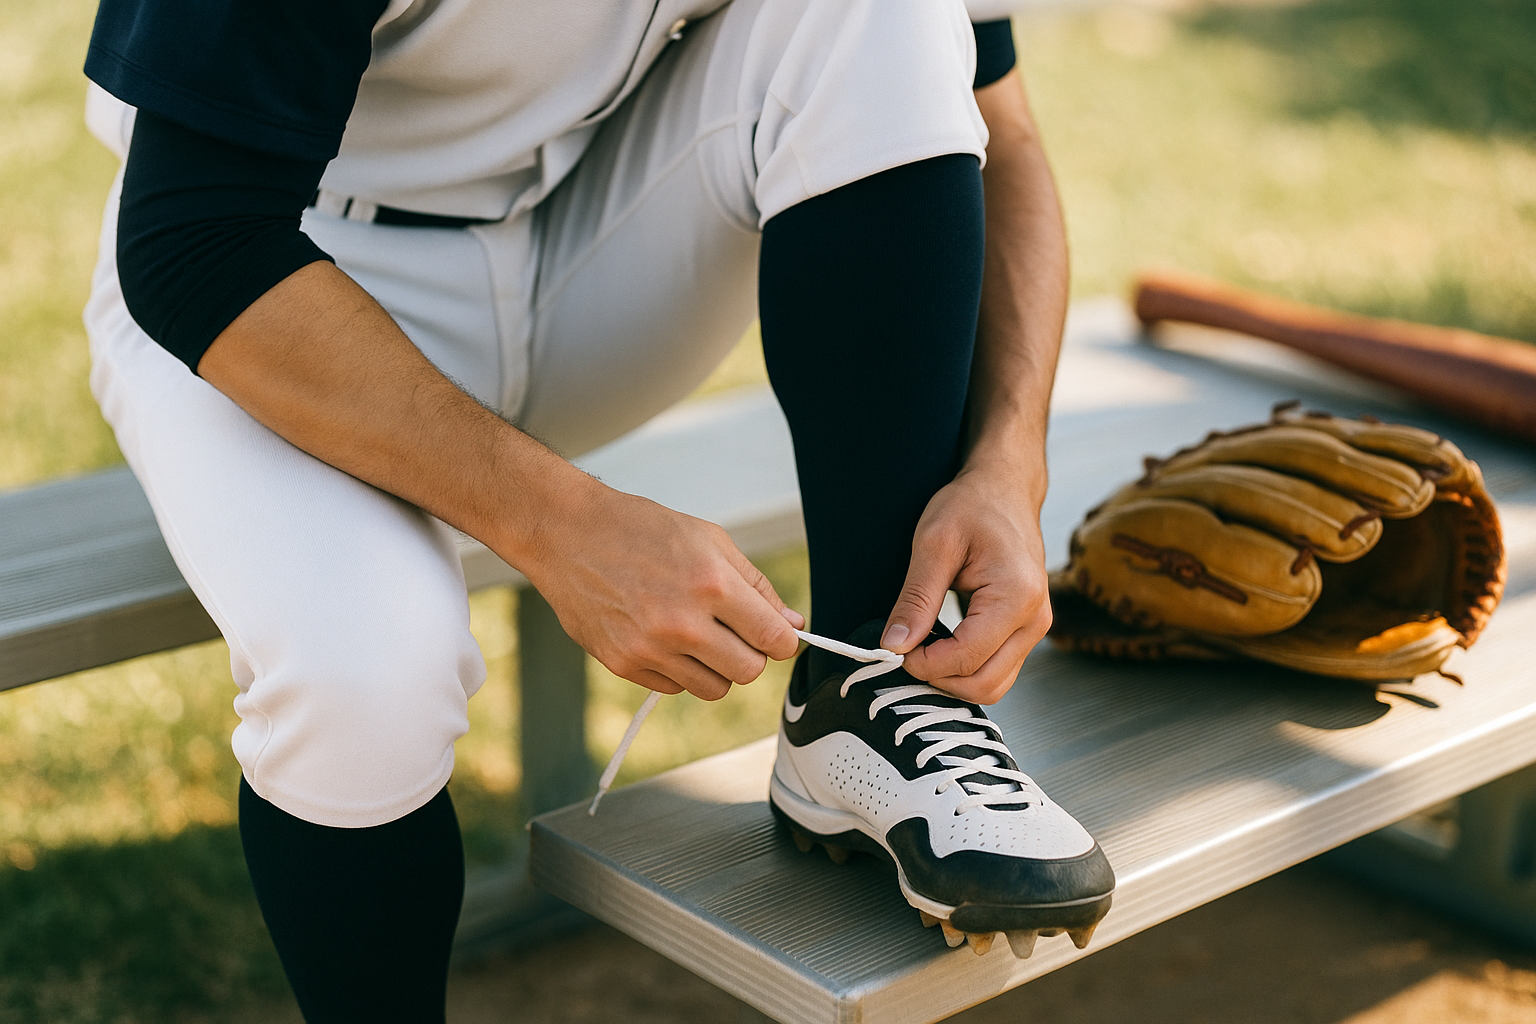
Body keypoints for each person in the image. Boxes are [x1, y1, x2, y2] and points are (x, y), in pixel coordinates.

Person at [81, 0, 1112, 1018]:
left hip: (586, 232)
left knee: (870, 11)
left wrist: (1008, 455)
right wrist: (563, 527)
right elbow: (193, 233)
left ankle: (865, 697)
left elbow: (996, 126)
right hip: (279, 277)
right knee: (366, 672)